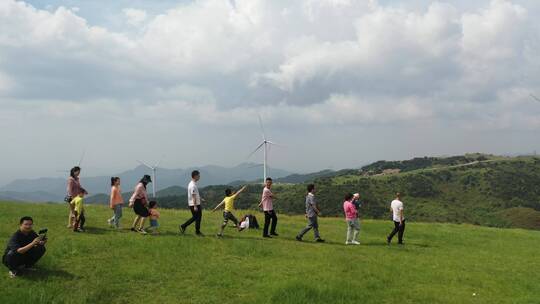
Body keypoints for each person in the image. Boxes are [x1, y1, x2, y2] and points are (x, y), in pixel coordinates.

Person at [180, 170, 204, 236]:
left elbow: (195, 194)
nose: (199, 177)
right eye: (198, 175)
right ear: (195, 176)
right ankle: (184, 226)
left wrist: (200, 198)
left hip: (194, 203)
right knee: (196, 217)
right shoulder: (193, 185)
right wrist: (195, 206)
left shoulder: (192, 183)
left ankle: (196, 231)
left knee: (196, 217)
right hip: (194, 204)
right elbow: (193, 196)